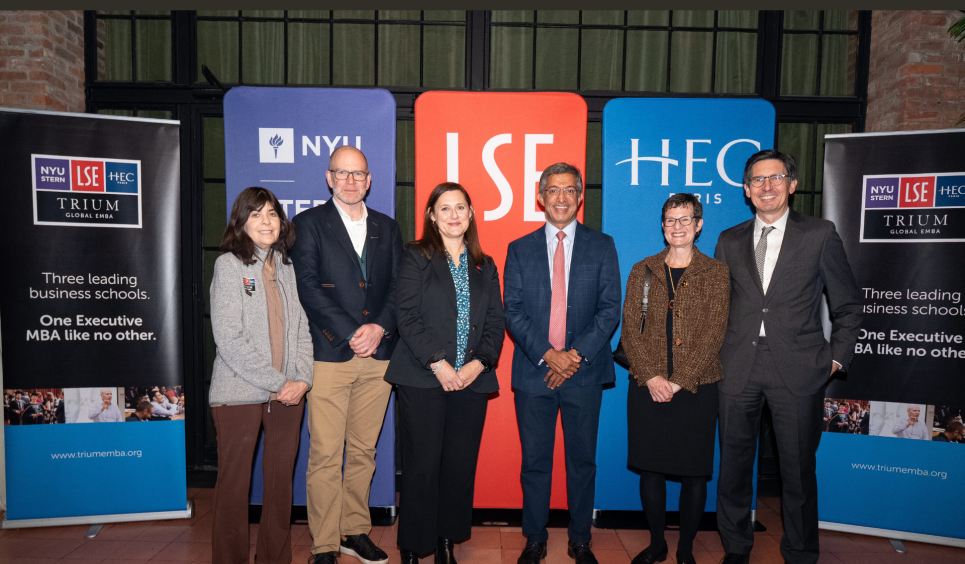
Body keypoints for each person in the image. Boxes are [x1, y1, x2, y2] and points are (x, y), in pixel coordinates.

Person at [714, 150, 862, 564]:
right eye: (757, 180)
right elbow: (719, 306)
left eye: (775, 178)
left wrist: (835, 360)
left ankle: (799, 553)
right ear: (746, 190)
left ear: (792, 185)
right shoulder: (728, 239)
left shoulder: (819, 234)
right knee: (734, 470)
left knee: (797, 473)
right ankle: (736, 549)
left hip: (798, 370)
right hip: (737, 369)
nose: (766, 186)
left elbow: (848, 306)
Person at [291, 145, 403, 564]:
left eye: (359, 174)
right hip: (330, 354)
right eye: (343, 173)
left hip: (379, 357)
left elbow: (397, 288)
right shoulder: (307, 224)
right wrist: (352, 332)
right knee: (324, 454)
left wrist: (379, 328)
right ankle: (324, 543)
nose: (351, 181)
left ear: (369, 179)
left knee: (363, 451)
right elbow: (308, 288)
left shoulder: (388, 228)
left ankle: (353, 530)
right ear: (328, 177)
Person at [504, 163, 621, 564]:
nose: (560, 198)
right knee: (535, 461)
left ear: (580, 196)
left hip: (584, 373)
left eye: (569, 190)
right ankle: (534, 538)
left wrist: (573, 356)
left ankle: (580, 538)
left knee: (582, 461)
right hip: (534, 371)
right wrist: (549, 354)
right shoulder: (519, 249)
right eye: (553, 190)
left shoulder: (602, 245)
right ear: (540, 196)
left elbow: (610, 310)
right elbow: (513, 311)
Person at [385, 183, 505, 564]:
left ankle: (445, 543)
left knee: (458, 466)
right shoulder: (416, 255)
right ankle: (411, 547)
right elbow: (406, 315)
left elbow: (496, 323)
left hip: (471, 380)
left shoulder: (485, 265)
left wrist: (477, 364)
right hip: (423, 377)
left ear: (471, 214)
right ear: (432, 216)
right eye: (445, 208)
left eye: (460, 208)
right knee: (422, 465)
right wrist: (439, 364)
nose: (454, 215)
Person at [620, 194, 729, 564]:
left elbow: (715, 332)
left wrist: (679, 379)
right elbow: (630, 331)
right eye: (670, 220)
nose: (677, 227)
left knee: (694, 473)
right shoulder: (643, 270)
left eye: (685, 220)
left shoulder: (716, 272)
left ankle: (684, 548)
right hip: (647, 385)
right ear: (662, 225)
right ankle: (657, 544)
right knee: (650, 468)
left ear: (699, 224)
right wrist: (652, 376)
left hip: (697, 388)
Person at [209, 186, 314, 564]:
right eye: (256, 214)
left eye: (272, 213)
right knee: (234, 488)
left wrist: (302, 379)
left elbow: (301, 329)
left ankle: (274, 558)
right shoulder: (229, 265)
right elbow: (229, 339)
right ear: (241, 221)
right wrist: (279, 382)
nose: (266, 221)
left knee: (280, 486)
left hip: (288, 396)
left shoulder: (286, 267)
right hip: (239, 393)